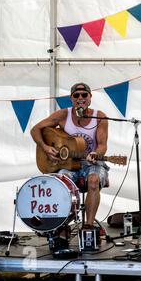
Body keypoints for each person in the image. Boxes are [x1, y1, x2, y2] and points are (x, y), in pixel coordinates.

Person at [30, 83, 109, 229]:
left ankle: (88, 226)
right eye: (76, 95)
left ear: (90, 97)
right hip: (68, 163)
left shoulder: (99, 117)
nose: (80, 98)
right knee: (60, 183)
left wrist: (96, 154)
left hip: (91, 162)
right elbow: (35, 130)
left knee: (93, 180)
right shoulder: (63, 115)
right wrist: (46, 148)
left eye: (84, 95)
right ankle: (61, 226)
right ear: (71, 98)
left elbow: (103, 145)